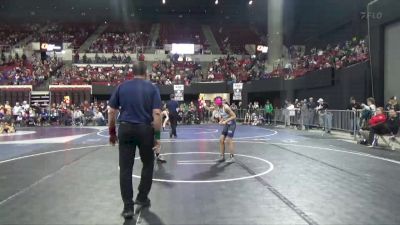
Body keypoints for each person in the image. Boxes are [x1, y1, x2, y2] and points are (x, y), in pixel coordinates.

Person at [108, 62, 163, 219]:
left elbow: (112, 111)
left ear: (132, 73)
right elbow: (157, 114)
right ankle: (142, 196)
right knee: (148, 163)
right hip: (145, 130)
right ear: (145, 73)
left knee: (125, 168)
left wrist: (112, 133)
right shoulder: (152, 88)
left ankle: (127, 208)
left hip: (125, 129)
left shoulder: (122, 87)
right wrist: (157, 138)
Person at [210, 96, 237, 163]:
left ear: (218, 102)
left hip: (232, 124)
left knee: (228, 140)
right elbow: (224, 115)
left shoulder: (226, 107)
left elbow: (234, 116)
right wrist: (221, 120)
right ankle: (222, 157)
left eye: (215, 103)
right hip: (227, 124)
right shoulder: (219, 107)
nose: (215, 104)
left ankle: (232, 157)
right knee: (221, 139)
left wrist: (225, 121)